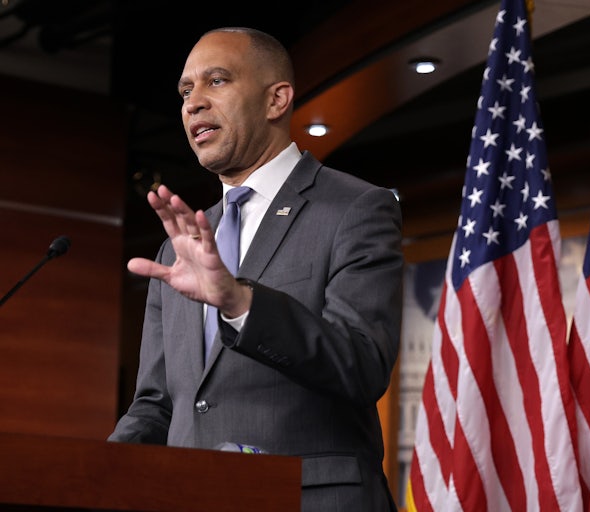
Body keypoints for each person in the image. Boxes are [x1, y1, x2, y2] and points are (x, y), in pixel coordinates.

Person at [108, 27, 404, 512]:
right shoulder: (177, 250)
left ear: (277, 100)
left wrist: (241, 302)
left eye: (216, 81)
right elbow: (158, 403)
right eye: (185, 91)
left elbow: (363, 364)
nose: (193, 103)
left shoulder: (356, 209)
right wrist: (96, 470)